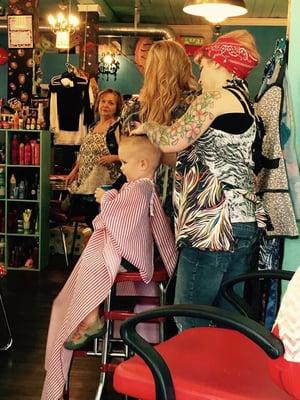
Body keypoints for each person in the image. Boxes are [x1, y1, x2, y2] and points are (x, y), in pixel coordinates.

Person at [132, 30, 269, 330]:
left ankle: (187, 378)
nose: (201, 71)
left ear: (221, 64)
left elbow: (171, 140)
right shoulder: (245, 101)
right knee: (226, 321)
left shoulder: (216, 98)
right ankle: (219, 376)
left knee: (189, 318)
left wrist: (147, 127)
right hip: (242, 222)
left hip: (212, 224)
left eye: (205, 65)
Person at [42, 135, 177, 400]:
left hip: (128, 255)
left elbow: (119, 221)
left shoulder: (139, 189)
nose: (122, 168)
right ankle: (89, 314)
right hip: (131, 253)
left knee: (93, 265)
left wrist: (107, 197)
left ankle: (91, 317)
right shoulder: (145, 188)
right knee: (91, 260)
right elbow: (148, 227)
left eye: (125, 162)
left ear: (142, 164)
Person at [122, 40, 199, 217]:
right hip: (188, 197)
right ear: (183, 65)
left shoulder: (134, 109)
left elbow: (126, 155)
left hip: (142, 197)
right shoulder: (196, 105)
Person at [65, 88, 123, 227]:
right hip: (86, 180)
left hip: (105, 183)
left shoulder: (116, 127)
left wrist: (114, 157)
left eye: (111, 103)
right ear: (97, 104)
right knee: (90, 220)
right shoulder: (92, 127)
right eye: (103, 101)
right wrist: (75, 171)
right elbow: (84, 153)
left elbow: (128, 154)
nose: (106, 105)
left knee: (100, 222)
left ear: (116, 108)